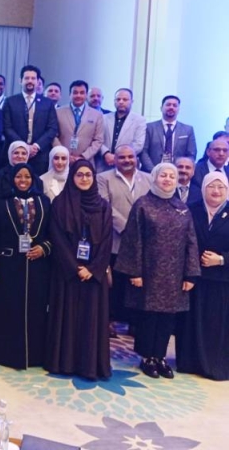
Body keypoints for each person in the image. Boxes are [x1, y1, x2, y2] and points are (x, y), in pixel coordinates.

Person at [115, 162, 200, 379]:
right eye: (164, 175)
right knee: (149, 316)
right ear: (154, 177)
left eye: (172, 176)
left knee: (167, 318)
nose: (168, 179)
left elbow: (191, 241)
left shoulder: (182, 207)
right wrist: (134, 272)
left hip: (174, 275)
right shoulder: (143, 205)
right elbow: (132, 240)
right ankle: (147, 358)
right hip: (148, 273)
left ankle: (160, 356)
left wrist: (190, 274)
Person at [44, 159, 113, 380]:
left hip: (93, 275)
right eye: (79, 175)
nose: (84, 179)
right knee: (66, 317)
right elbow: (57, 237)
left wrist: (92, 269)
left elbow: (107, 241)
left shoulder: (103, 206)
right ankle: (63, 363)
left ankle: (88, 365)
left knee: (91, 320)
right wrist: (75, 268)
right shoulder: (60, 203)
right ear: (72, 177)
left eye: (88, 175)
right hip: (67, 274)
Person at [0, 162, 50, 369]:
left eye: (27, 177)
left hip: (36, 266)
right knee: (8, 310)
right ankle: (7, 354)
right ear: (12, 178)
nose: (23, 180)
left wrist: (44, 248)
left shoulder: (44, 202)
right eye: (19, 176)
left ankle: (34, 355)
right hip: (8, 266)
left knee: (35, 311)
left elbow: (52, 232)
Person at [176, 172, 229, 380]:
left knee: (216, 325)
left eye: (221, 187)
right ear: (203, 188)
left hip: (221, 280)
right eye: (211, 187)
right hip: (194, 277)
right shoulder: (191, 210)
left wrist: (221, 259)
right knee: (191, 322)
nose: (216, 191)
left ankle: (213, 366)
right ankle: (189, 362)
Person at [96, 144, 152, 337]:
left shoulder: (149, 179)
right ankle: (109, 320)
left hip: (142, 242)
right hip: (115, 239)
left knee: (136, 284)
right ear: (115, 160)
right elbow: (104, 206)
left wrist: (140, 230)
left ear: (136, 158)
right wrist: (129, 228)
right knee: (114, 284)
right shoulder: (103, 178)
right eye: (122, 157)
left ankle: (134, 322)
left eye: (131, 157)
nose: (127, 160)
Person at [2, 65, 59, 175]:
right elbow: (6, 127)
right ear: (20, 81)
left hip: (39, 154)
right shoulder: (10, 101)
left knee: (37, 183)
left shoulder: (47, 103)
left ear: (37, 82)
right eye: (27, 78)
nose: (30, 81)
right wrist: (23, 147)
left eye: (33, 78)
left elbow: (52, 128)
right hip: (16, 154)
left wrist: (36, 146)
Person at [140, 95, 197, 171]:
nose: (171, 107)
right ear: (161, 108)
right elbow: (144, 152)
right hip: (151, 171)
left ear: (178, 110)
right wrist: (154, 171)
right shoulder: (149, 127)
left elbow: (191, 154)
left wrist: (181, 170)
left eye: (175, 105)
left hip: (177, 173)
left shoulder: (188, 130)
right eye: (168, 105)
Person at [54, 80, 104, 164]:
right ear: (70, 94)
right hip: (61, 160)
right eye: (75, 92)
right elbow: (53, 136)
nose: (78, 95)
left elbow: (98, 140)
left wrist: (83, 156)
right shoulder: (58, 112)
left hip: (86, 161)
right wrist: (64, 154)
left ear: (86, 95)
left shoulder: (97, 115)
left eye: (82, 93)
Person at [99, 88, 146, 173]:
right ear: (114, 101)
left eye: (125, 99)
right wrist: (106, 154)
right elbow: (98, 139)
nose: (121, 102)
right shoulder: (104, 118)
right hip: (104, 164)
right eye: (118, 99)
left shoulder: (139, 120)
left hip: (127, 164)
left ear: (132, 101)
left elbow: (138, 144)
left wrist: (119, 157)